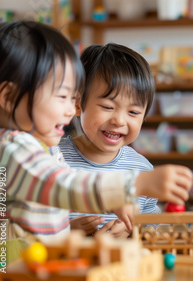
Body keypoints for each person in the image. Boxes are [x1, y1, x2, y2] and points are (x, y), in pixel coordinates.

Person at [0, 21, 193, 262]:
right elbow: (64, 186)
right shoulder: (14, 149)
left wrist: (122, 210)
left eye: (73, 97)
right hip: (15, 265)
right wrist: (133, 186)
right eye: (63, 96)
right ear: (9, 97)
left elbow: (63, 195)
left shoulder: (38, 148)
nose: (71, 108)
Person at [56, 43, 158, 238]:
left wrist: (133, 230)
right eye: (107, 106)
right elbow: (31, 224)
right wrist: (67, 229)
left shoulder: (142, 170)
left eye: (133, 112)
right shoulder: (54, 158)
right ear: (78, 104)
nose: (119, 120)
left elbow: (152, 226)